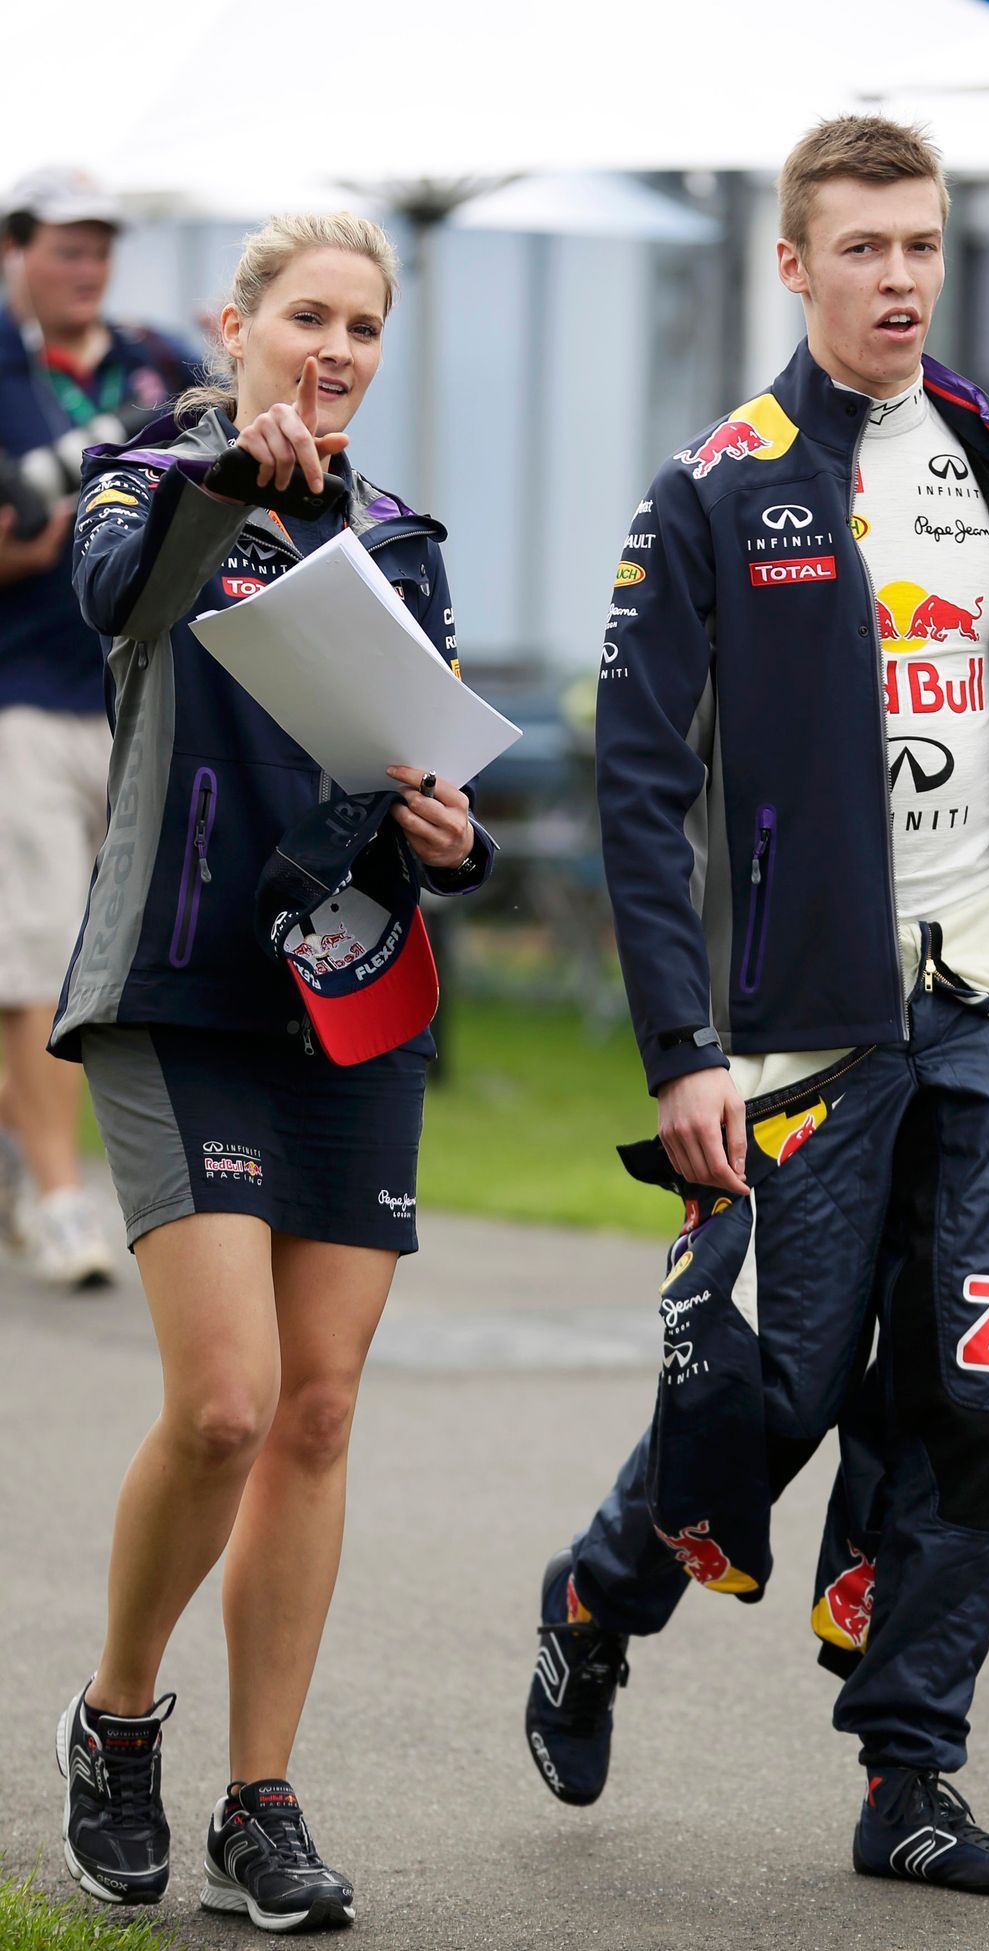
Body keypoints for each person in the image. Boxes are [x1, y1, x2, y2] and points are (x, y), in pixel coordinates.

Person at [525, 115, 989, 1896]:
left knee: (978, 1378)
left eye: (924, 246)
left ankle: (912, 1778)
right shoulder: (718, 481)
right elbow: (638, 793)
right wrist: (680, 1054)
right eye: (865, 247)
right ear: (793, 262)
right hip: (801, 1028)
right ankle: (596, 1592)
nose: (901, 278)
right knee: (782, 1390)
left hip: (988, 1011)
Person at [48, 211, 494, 1932]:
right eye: (308, 315)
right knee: (225, 1399)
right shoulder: (140, 482)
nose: (338, 347)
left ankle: (262, 1802)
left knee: (316, 1407)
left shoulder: (403, 537)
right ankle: (117, 1717)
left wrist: (451, 830)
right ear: (234, 325)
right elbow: (112, 598)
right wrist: (227, 475)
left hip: (347, 999)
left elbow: (428, 764)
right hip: (173, 993)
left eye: (366, 325)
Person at [0, 168, 197, 1286]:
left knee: (109, 951)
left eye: (100, 248)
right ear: (16, 248)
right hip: (22, 696)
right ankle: (62, 1196)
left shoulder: (157, 362)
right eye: (65, 247)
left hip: (141, 702)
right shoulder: (3, 361)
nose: (87, 267)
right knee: (39, 951)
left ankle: (29, 1154)